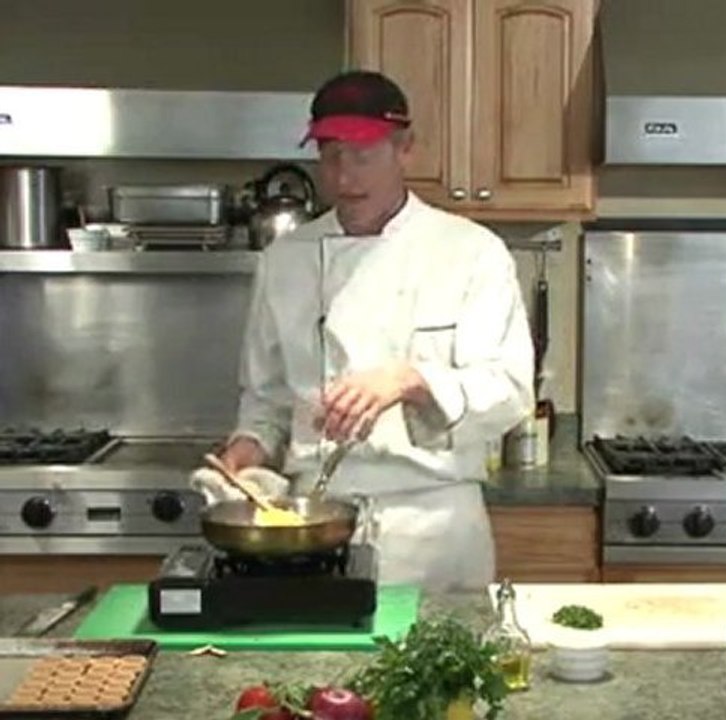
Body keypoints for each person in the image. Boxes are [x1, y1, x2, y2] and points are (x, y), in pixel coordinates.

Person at [191, 70, 534, 591]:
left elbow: (511, 392)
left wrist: (411, 380)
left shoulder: (471, 253)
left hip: (435, 526)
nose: (345, 176)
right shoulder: (285, 262)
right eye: (331, 155)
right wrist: (245, 452)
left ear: (405, 150)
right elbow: (266, 403)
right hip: (314, 527)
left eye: (363, 154)